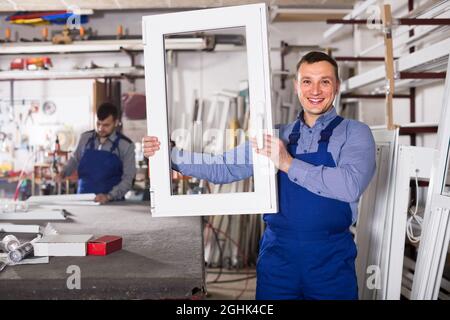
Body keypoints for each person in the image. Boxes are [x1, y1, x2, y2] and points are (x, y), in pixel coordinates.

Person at [143, 51, 376, 300]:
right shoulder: (276, 135)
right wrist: (170, 155)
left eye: (325, 81)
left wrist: (287, 162)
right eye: (307, 81)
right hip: (278, 259)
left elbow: (349, 185)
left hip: (330, 260)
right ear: (297, 86)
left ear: (337, 86)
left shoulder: (356, 133)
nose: (315, 90)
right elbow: (223, 167)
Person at [60, 102, 136, 204]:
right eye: (98, 124)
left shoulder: (126, 145)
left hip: (112, 203)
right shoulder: (85, 138)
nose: (100, 128)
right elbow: (75, 159)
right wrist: (63, 173)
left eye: (106, 125)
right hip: (83, 200)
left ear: (116, 122)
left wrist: (109, 196)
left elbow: (128, 178)